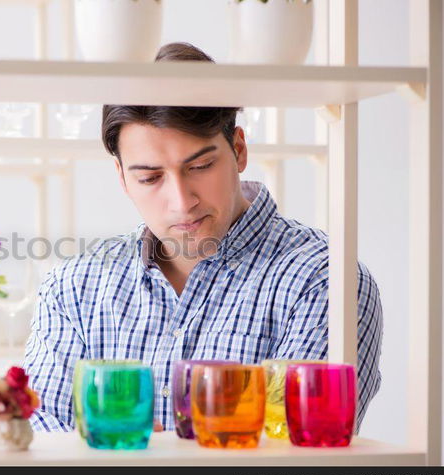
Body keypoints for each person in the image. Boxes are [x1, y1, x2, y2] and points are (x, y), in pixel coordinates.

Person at [22, 42, 383, 433]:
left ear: (239, 149)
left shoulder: (326, 282)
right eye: (150, 177)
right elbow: (42, 445)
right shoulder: (75, 287)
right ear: (122, 177)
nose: (182, 201)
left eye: (201, 166)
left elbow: (294, 457)